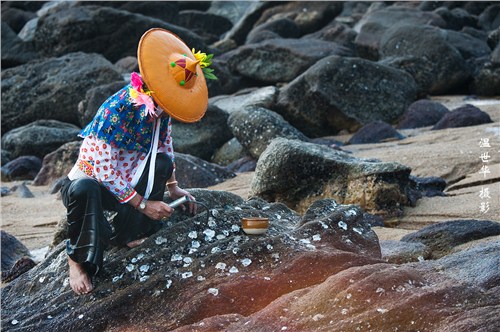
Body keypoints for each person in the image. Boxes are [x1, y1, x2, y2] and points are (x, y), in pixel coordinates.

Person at [60, 28, 216, 295]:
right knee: (85, 188)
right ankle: (76, 260)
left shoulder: (162, 108)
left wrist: (173, 188)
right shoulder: (117, 109)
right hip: (93, 185)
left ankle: (127, 233)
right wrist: (144, 205)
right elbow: (104, 171)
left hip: (129, 180)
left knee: (163, 162)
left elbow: (164, 144)